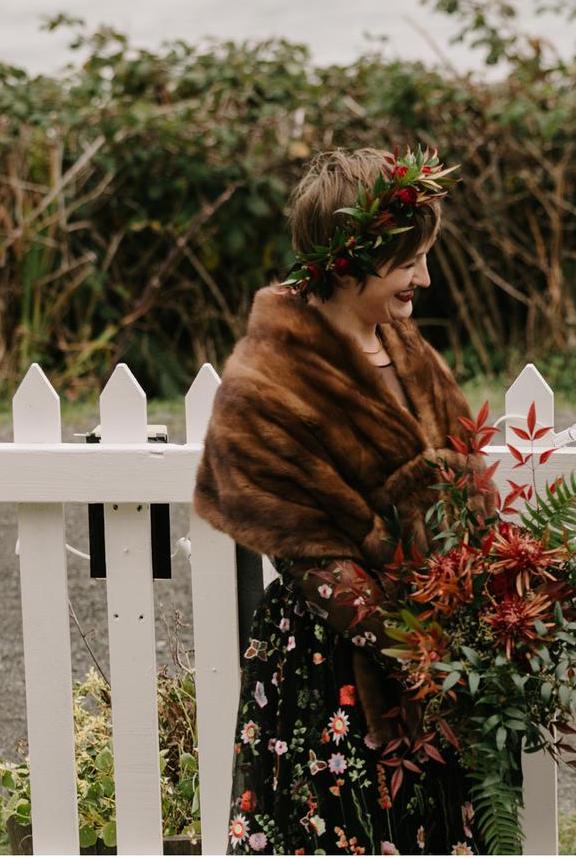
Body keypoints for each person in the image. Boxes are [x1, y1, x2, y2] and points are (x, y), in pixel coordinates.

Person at [193, 147, 488, 855]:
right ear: (351, 258)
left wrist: (484, 595)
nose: (425, 276)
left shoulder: (412, 351)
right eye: (409, 260)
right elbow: (301, 545)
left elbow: (465, 484)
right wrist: (412, 642)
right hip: (331, 672)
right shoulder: (268, 378)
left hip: (435, 656)